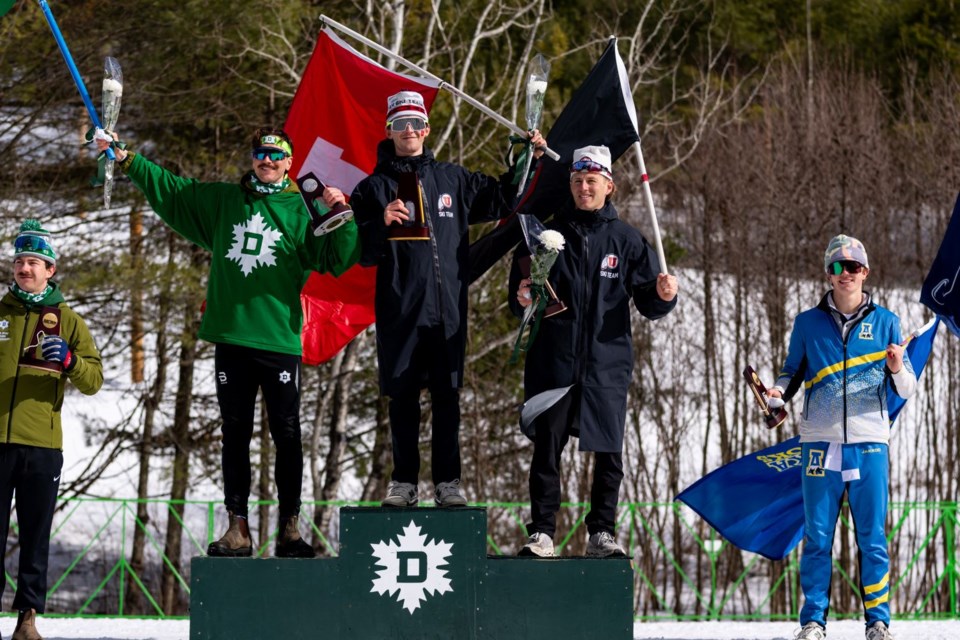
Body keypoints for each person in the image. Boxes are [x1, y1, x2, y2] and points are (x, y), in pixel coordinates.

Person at [97, 128, 359, 558]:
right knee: (235, 433)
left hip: (278, 339)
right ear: (252, 158)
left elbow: (338, 258)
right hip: (231, 337)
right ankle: (238, 527)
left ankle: (290, 530)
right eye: (261, 154)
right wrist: (127, 160)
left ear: (289, 163)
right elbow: (172, 191)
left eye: (276, 155)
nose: (267, 161)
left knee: (287, 433)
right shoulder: (223, 201)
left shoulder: (300, 209)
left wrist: (342, 214)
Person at [329, 90, 543, 507]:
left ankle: (449, 483)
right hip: (400, 309)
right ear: (388, 130)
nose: (408, 130)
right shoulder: (372, 188)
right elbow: (356, 251)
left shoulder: (453, 179)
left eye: (415, 123)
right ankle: (403, 483)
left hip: (447, 312)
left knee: (447, 398)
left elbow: (502, 198)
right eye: (400, 124)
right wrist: (379, 225)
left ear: (426, 129)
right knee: (403, 398)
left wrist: (526, 159)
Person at [508, 145, 678, 558]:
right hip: (554, 363)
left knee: (608, 453)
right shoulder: (544, 237)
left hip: (606, 365)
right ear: (571, 185)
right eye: (578, 181)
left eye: (592, 181)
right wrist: (521, 296)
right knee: (547, 450)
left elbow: (650, 304)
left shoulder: (628, 240)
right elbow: (521, 301)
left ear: (608, 186)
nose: (584, 188)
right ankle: (543, 532)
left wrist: (664, 296)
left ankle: (602, 531)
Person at [767, 235, 916, 640]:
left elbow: (906, 389)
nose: (844, 274)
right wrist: (778, 394)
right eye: (836, 267)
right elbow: (791, 372)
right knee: (817, 538)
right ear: (828, 273)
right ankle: (813, 622)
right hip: (819, 442)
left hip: (870, 442)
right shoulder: (806, 323)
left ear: (865, 272)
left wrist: (899, 366)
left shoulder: (887, 322)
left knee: (872, 538)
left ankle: (878, 622)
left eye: (852, 267)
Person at [0, 220, 103, 640]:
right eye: (19, 261)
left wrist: (69, 362)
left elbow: (93, 380)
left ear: (51, 270)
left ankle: (27, 619)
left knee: (35, 535)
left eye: (34, 262)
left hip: (42, 446)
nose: (25, 268)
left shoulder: (68, 321)